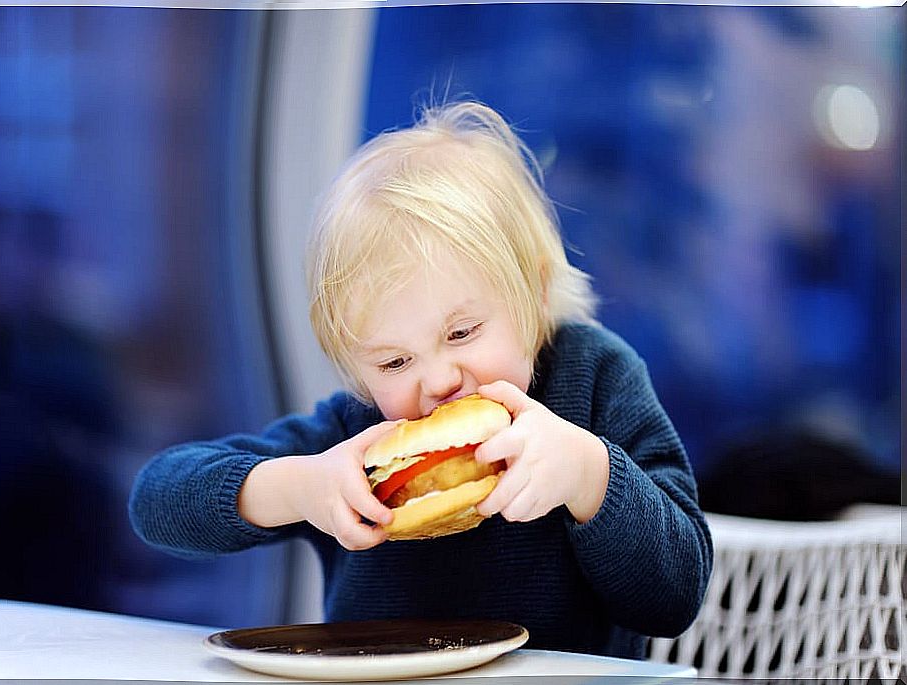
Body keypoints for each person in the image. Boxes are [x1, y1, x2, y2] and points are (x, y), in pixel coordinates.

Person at [129, 100, 712, 658]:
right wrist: (302, 488)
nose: (436, 381)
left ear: (532, 294)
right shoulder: (356, 436)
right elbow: (156, 499)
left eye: (461, 334)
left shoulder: (594, 379)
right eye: (392, 363)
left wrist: (591, 476)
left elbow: (676, 598)